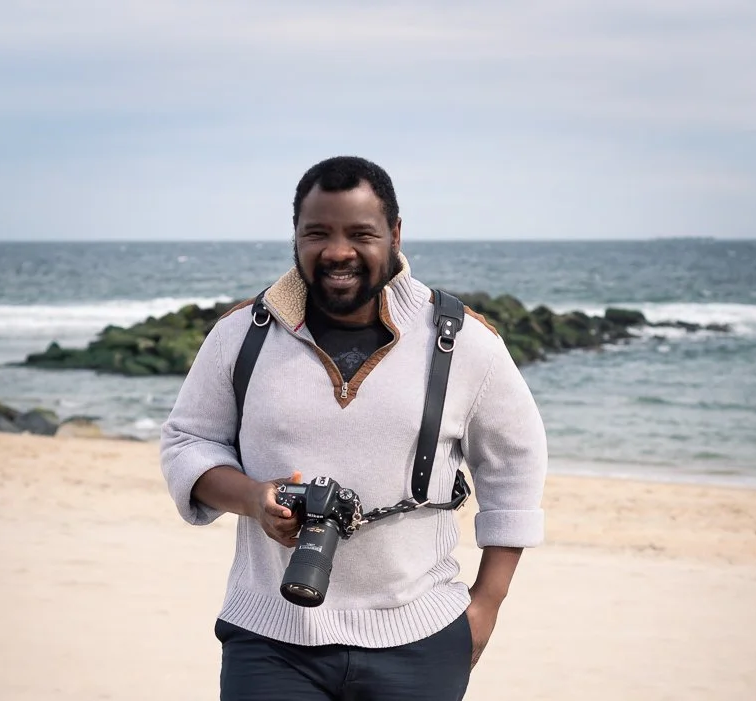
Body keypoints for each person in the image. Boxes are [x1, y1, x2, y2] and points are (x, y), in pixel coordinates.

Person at [160, 156, 547, 701]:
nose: (337, 251)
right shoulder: (239, 335)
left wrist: (485, 606)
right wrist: (253, 498)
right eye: (317, 233)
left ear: (394, 234)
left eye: (360, 234)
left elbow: (516, 466)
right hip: (270, 637)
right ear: (295, 237)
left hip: (421, 636)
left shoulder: (462, 342)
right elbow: (187, 442)